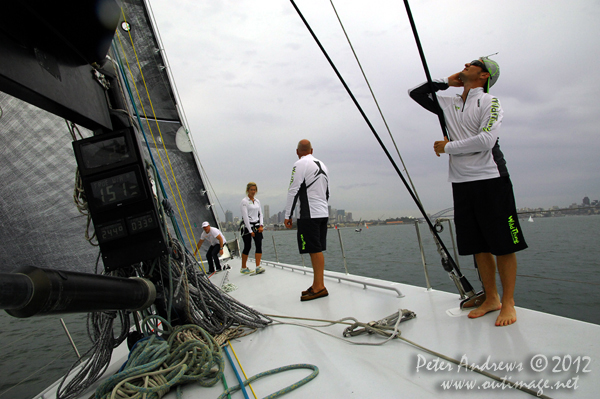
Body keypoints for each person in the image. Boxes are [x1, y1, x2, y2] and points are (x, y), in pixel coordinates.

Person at [408, 56, 527, 326]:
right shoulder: (449, 102)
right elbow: (416, 92)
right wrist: (447, 82)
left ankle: (508, 302)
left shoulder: (490, 102)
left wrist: (447, 147)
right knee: (479, 245)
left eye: (474, 63)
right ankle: (491, 298)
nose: (466, 64)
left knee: (504, 245)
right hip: (462, 182)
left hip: (491, 179)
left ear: (484, 76)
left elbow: (487, 140)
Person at [284, 139, 330, 301]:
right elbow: (326, 193)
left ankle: (319, 287)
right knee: (316, 249)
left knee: (314, 249)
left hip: (309, 214)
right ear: (312, 150)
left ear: (298, 152)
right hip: (323, 213)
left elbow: (293, 190)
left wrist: (287, 215)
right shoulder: (323, 165)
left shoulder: (300, 164)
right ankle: (317, 284)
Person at [240, 182, 265, 275]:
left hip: (257, 225)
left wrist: (261, 225)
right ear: (248, 190)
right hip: (247, 227)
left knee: (259, 245)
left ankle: (258, 266)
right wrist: (250, 231)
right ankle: (243, 267)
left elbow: (260, 214)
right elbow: (245, 216)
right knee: (247, 246)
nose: (253, 191)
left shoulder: (257, 201)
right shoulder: (244, 201)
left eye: (254, 190)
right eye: (251, 190)